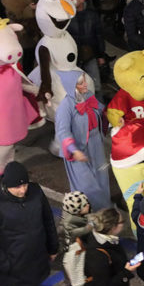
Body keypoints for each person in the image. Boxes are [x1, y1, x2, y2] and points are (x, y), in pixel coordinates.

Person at [55, 72, 112, 210]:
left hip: (96, 143)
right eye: (81, 83)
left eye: (84, 81)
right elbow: (62, 131)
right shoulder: (65, 106)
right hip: (77, 150)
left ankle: (105, 211)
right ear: (72, 86)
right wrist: (74, 150)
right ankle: (90, 212)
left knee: (102, 177)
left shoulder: (89, 96)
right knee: (86, 184)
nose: (85, 84)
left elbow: (103, 111)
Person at [59, 191, 92, 286]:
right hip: (75, 253)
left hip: (83, 248)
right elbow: (83, 230)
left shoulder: (75, 214)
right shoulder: (70, 223)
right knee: (75, 279)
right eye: (85, 205)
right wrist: (91, 225)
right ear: (77, 210)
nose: (88, 205)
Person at [67, 0, 107, 93]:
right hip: (74, 57)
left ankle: (98, 108)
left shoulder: (92, 15)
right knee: (75, 87)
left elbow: (99, 35)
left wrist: (101, 55)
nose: (73, 1)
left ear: (82, 0)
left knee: (96, 85)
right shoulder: (67, 16)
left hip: (90, 55)